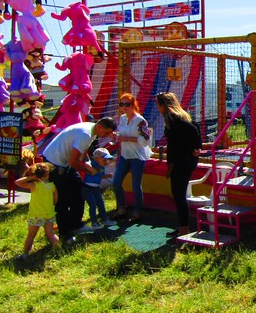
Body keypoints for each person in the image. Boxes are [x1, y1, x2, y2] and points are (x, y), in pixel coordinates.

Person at [40, 117, 118, 241]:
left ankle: (76, 225)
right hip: (54, 162)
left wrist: (88, 163)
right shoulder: (85, 134)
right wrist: (88, 171)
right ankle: (65, 233)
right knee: (63, 199)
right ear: (100, 127)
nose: (107, 135)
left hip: (65, 163)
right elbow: (73, 161)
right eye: (107, 132)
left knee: (79, 192)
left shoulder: (93, 132)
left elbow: (83, 151)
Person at [156, 92, 202, 235]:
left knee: (179, 194)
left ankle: (184, 228)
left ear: (163, 105)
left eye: (158, 105)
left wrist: (196, 147)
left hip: (182, 161)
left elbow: (193, 129)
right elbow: (194, 126)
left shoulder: (173, 118)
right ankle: (183, 226)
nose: (157, 108)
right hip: (183, 160)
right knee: (178, 194)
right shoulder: (179, 116)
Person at [112, 93, 152, 222]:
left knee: (135, 185)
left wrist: (128, 139)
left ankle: (137, 212)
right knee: (116, 182)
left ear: (133, 105)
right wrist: (117, 137)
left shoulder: (140, 121)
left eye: (127, 104)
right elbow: (121, 133)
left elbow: (145, 140)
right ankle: (121, 209)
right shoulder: (122, 118)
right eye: (122, 104)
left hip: (137, 156)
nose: (124, 107)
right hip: (125, 154)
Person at [15, 162, 60, 257]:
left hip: (35, 215)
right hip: (49, 214)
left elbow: (17, 182)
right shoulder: (52, 186)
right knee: (51, 234)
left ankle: (25, 254)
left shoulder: (34, 185)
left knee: (31, 236)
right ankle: (58, 250)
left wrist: (31, 178)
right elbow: (55, 200)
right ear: (47, 173)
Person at [82, 147, 117, 229]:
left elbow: (100, 176)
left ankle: (105, 219)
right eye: (104, 160)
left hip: (96, 188)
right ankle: (94, 222)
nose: (106, 162)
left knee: (101, 203)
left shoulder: (102, 167)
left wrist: (106, 176)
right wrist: (92, 169)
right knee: (93, 205)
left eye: (107, 160)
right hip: (87, 188)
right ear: (96, 158)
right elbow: (86, 164)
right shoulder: (92, 164)